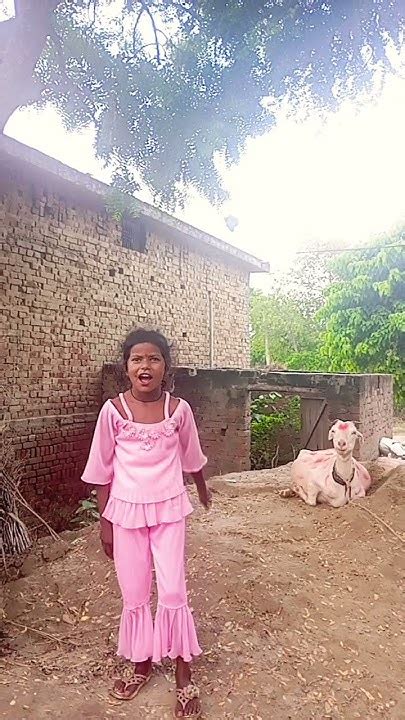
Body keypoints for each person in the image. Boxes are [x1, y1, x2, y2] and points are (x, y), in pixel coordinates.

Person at [82, 328, 211, 719]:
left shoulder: (178, 410)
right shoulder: (113, 411)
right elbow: (102, 470)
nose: (145, 365)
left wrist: (202, 489)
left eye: (153, 358)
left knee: (173, 590)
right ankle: (141, 664)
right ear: (126, 367)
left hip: (169, 511)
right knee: (135, 592)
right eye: (137, 359)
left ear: (165, 366)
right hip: (126, 515)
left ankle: (184, 675)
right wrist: (105, 525)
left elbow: (192, 455)